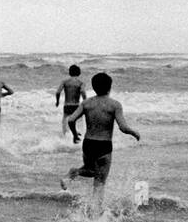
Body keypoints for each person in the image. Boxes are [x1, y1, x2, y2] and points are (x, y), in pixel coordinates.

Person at [61, 72, 141, 209]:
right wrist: (133, 132)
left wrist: (74, 134)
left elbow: (71, 119)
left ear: (93, 86)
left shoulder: (87, 103)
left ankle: (73, 173)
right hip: (104, 145)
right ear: (110, 87)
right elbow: (123, 127)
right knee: (100, 181)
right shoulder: (114, 105)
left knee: (90, 170)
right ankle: (96, 213)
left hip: (88, 143)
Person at [53, 64, 86, 143]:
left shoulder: (65, 82)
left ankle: (65, 138)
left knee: (65, 121)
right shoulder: (81, 82)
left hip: (67, 105)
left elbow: (58, 92)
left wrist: (57, 101)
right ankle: (78, 137)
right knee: (78, 122)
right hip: (76, 106)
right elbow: (82, 92)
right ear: (79, 73)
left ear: (69, 72)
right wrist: (85, 101)